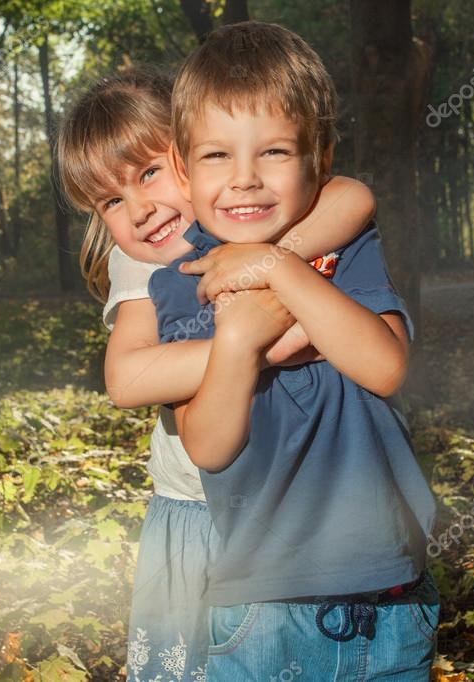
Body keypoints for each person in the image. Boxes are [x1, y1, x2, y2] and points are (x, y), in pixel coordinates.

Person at [56, 67, 378, 681]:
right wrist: (254, 344)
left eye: (149, 172)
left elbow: (354, 196)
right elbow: (127, 379)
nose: (142, 210)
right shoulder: (144, 265)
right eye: (112, 202)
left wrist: (268, 259)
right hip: (197, 514)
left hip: (292, 506)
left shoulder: (252, 214)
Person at [150, 21, 440, 680]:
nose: (245, 180)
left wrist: (278, 269)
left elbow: (385, 366)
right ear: (180, 168)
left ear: (320, 156)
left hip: (389, 603)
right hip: (260, 608)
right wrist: (238, 339)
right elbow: (210, 446)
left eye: (275, 152)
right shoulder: (185, 284)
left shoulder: (346, 249)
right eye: (216, 156)